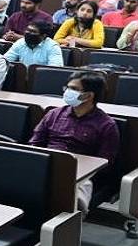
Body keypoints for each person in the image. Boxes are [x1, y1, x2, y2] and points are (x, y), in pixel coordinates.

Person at [28, 71, 119, 218]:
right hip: (47, 163)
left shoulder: (106, 125)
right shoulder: (53, 114)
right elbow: (35, 143)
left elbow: (105, 161)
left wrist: (81, 170)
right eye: (67, 88)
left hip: (81, 173)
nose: (68, 92)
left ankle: (66, 229)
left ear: (89, 95)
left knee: (71, 196)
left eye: (74, 89)